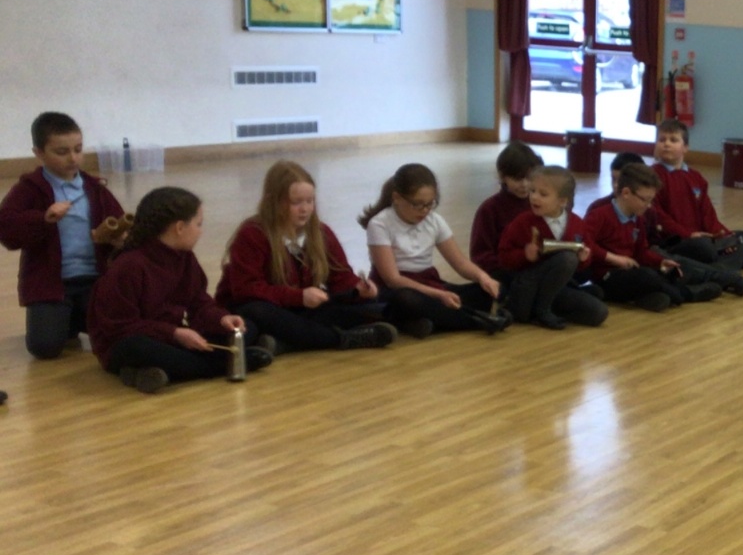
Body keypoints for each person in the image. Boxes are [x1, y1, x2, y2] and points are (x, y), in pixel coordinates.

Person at [86, 187, 273, 393]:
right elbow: (119, 327)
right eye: (198, 224)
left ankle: (152, 372)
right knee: (138, 348)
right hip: (131, 341)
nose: (201, 231)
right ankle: (225, 364)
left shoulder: (185, 257)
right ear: (179, 227)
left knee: (246, 328)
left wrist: (221, 319)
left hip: (173, 336)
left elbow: (199, 302)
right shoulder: (129, 266)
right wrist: (174, 333)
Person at [216, 160, 396, 352]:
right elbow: (246, 290)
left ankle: (283, 343)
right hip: (264, 308)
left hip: (301, 310)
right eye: (296, 202)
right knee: (256, 313)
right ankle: (340, 339)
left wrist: (358, 289)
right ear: (274, 202)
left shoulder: (320, 232)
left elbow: (340, 277)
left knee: (371, 308)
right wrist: (298, 297)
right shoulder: (253, 233)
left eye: (310, 201)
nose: (305, 209)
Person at [1, 112, 128, 360]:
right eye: (62, 152)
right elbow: (7, 229)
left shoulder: (95, 188)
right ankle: (68, 319)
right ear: (39, 153)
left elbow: (121, 227)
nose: (73, 158)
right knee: (45, 348)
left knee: (120, 332)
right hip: (52, 283)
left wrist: (119, 241)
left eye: (78, 149)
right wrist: (42, 219)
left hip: (95, 279)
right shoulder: (29, 189)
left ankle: (75, 318)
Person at [359, 163, 508, 337]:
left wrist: (483, 278)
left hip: (429, 282)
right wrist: (438, 294)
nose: (424, 211)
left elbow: (460, 263)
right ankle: (476, 321)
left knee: (489, 288)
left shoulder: (434, 220)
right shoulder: (379, 224)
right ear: (397, 198)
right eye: (417, 204)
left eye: (430, 204)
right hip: (397, 289)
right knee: (407, 300)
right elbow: (392, 279)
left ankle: (420, 322)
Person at [583, 163, 721, 312]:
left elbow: (641, 252)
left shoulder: (638, 219)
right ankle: (686, 294)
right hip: (606, 276)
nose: (648, 206)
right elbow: (584, 243)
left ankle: (652, 297)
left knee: (665, 272)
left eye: (651, 201)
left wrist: (660, 261)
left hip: (631, 271)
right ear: (626, 193)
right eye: (644, 200)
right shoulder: (599, 215)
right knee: (646, 276)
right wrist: (614, 258)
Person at [496, 166, 608, 330]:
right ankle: (541, 310)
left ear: (562, 201)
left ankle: (544, 308)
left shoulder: (577, 224)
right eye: (533, 191)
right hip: (528, 284)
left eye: (543, 194)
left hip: (558, 288)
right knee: (567, 259)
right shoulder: (523, 222)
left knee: (598, 314)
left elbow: (584, 260)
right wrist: (524, 255)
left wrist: (584, 259)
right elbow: (503, 257)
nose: (534, 197)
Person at [650, 118, 743, 269]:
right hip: (676, 241)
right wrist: (688, 234)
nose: (666, 144)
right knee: (705, 248)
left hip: (701, 237)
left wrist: (723, 235)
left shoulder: (696, 177)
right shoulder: (652, 176)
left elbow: (707, 214)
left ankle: (720, 265)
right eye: (661, 140)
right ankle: (726, 264)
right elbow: (658, 216)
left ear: (685, 147)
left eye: (673, 140)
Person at [469, 142, 545, 278]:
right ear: (503, 176)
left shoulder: (541, 204)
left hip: (539, 271)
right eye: (517, 179)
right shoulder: (489, 209)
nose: (524, 184)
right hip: (506, 273)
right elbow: (480, 256)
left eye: (529, 178)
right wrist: (515, 261)